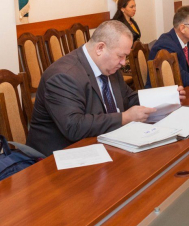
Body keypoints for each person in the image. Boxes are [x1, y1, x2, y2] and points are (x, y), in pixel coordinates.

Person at [26, 21, 163, 156]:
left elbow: (128, 98)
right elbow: (74, 126)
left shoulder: (109, 67)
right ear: (100, 48)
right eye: (120, 56)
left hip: (102, 144)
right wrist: (124, 118)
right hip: (58, 157)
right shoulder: (63, 76)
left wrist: (164, 97)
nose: (123, 63)